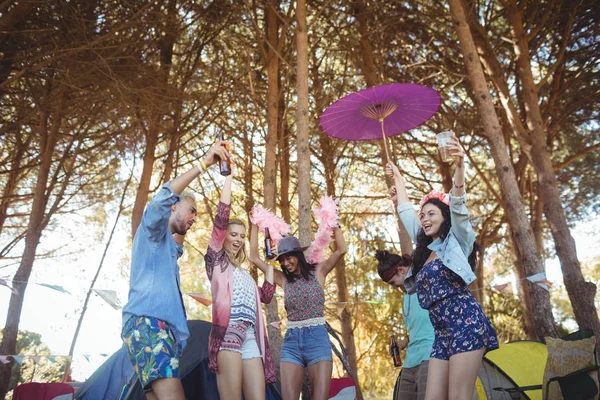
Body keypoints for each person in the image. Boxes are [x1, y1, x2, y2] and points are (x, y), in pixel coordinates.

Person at [386, 136, 498, 400]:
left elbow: (458, 204)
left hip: (465, 323)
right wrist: (399, 177)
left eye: (431, 214)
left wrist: (459, 164)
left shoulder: (457, 241)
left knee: (460, 396)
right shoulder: (424, 250)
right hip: (442, 332)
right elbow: (405, 211)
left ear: (444, 217)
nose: (424, 219)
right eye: (422, 215)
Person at [121, 142, 229, 400]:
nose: (195, 217)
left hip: (156, 328)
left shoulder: (167, 246)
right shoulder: (152, 231)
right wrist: (204, 164)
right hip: (149, 322)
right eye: (191, 210)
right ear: (173, 207)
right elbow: (164, 197)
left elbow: (178, 239)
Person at [249, 223, 348, 400]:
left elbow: (341, 250)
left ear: (298, 256)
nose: (286, 263)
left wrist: (335, 222)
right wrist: (256, 225)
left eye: (289, 258)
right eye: (282, 260)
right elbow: (255, 258)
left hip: (317, 340)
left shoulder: (319, 271)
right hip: (292, 342)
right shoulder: (282, 278)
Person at [204, 158, 276, 400]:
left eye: (242, 236)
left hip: (250, 339)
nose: (237, 239)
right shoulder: (216, 262)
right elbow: (221, 217)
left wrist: (269, 266)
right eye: (233, 234)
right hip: (228, 336)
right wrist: (229, 178)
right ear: (223, 237)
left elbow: (265, 296)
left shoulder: (244, 275)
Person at [375, 250, 434, 400]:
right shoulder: (406, 298)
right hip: (410, 362)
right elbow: (416, 328)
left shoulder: (427, 285)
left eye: (393, 283)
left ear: (401, 270)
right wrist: (403, 343)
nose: (394, 287)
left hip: (430, 356)